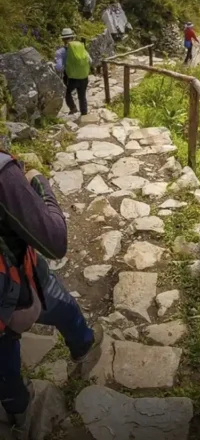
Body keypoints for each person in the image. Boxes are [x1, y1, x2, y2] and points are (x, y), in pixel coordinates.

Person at [0, 146, 103, 439]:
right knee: (64, 307)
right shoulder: (3, 174)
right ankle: (84, 348)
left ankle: (20, 412)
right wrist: (38, 182)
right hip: (20, 286)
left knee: (4, 367)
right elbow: (55, 241)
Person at [57, 28, 91, 116]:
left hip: (71, 78)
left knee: (67, 93)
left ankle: (73, 108)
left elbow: (59, 68)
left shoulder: (60, 52)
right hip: (84, 76)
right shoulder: (81, 48)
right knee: (82, 96)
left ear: (63, 39)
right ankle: (84, 114)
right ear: (73, 37)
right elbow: (90, 61)